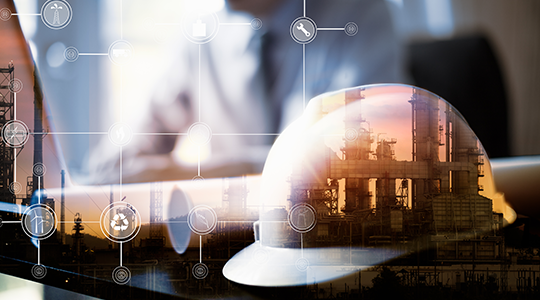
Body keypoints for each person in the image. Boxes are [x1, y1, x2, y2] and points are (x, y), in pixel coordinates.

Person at [91, 0, 405, 183]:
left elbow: (349, 158)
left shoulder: (360, 17)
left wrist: (190, 175)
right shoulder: (201, 38)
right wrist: (112, 169)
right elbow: (124, 151)